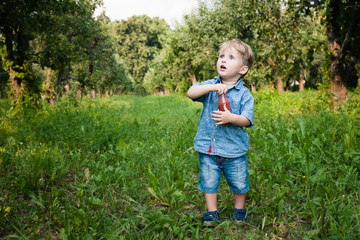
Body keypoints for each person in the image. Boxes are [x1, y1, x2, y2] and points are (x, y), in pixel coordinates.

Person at [187, 39, 254, 226]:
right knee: (209, 181)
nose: (223, 60)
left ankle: (239, 210)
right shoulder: (211, 85)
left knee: (240, 182)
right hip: (208, 148)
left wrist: (231, 118)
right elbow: (191, 92)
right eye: (221, 56)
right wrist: (212, 87)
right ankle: (212, 212)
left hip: (234, 150)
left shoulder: (244, 94)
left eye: (231, 57)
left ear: (243, 69)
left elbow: (247, 120)